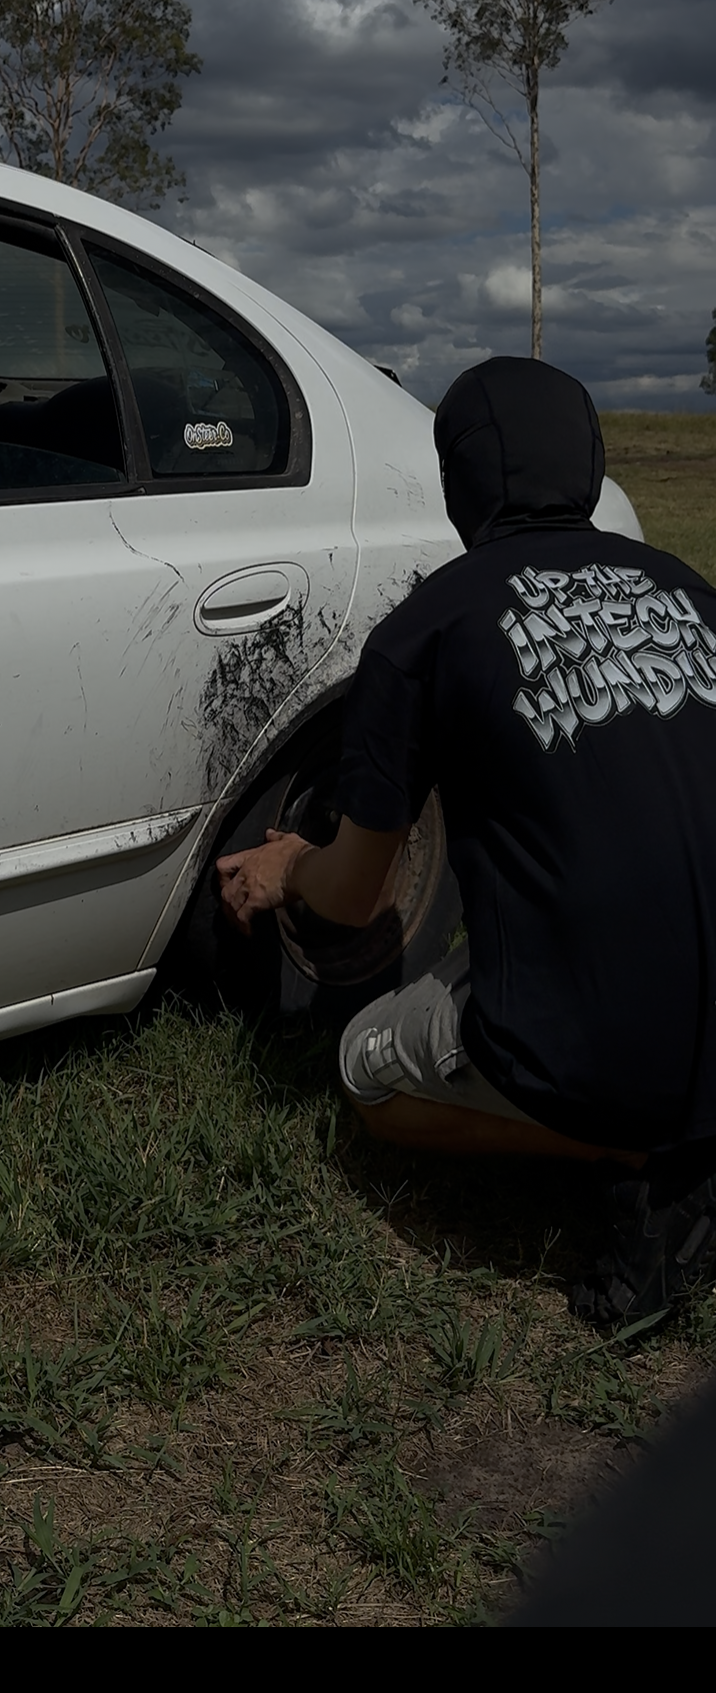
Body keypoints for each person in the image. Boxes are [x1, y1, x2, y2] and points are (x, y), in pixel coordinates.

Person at [217, 356, 716, 1330]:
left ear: (459, 484)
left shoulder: (430, 625)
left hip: (627, 1035)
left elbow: (355, 896)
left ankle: (651, 1158)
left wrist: (286, 864)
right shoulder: (690, 591)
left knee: (367, 1067)